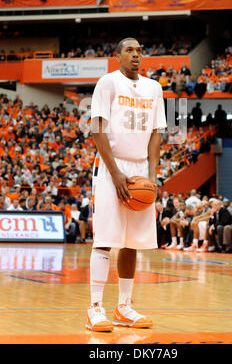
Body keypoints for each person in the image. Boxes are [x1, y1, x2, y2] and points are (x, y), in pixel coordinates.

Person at [86, 37, 166, 332]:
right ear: (117, 56)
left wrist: (153, 174)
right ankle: (95, 308)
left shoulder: (153, 88)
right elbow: (96, 129)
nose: (136, 55)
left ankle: (124, 306)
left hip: (140, 169)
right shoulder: (107, 83)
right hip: (112, 167)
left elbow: (157, 133)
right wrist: (116, 172)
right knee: (106, 238)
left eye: (139, 50)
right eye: (129, 50)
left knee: (132, 242)